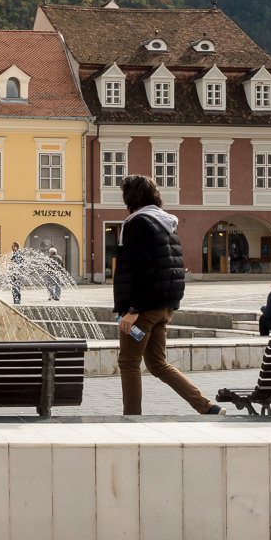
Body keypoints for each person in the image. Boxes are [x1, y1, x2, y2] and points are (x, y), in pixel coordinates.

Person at [113, 174, 224, 416]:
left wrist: (133, 310)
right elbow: (171, 266)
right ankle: (208, 407)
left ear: (131, 197)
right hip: (164, 306)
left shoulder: (138, 223)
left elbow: (142, 269)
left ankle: (131, 417)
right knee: (157, 363)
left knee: (129, 363)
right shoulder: (166, 224)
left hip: (143, 307)